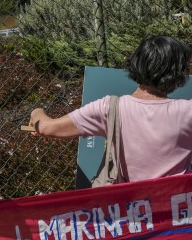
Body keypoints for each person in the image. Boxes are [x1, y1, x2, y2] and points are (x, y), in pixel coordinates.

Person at [28, 35, 192, 181]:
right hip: (180, 210)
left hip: (131, 209)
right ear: (177, 72)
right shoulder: (187, 111)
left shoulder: (109, 108)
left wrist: (37, 111)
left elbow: (46, 128)